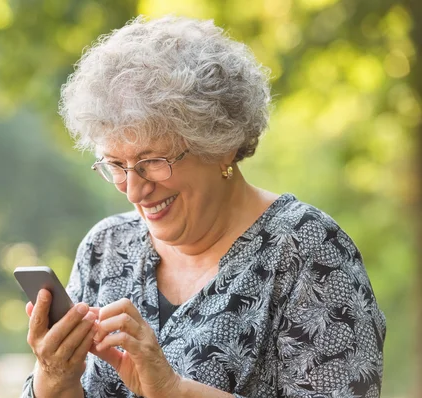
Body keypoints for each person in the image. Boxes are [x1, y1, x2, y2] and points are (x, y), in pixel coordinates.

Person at [21, 15, 386, 398]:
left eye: (152, 162)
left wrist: (175, 391)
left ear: (220, 146)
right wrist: (54, 380)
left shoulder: (308, 249)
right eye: (116, 165)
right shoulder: (106, 248)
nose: (133, 190)